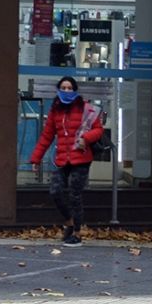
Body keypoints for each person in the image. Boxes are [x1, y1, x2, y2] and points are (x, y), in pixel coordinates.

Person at [29, 76, 103, 246]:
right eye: (63, 88)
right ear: (59, 90)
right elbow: (46, 136)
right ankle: (69, 220)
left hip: (81, 158)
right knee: (55, 191)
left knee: (75, 195)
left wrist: (86, 138)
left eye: (70, 88)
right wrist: (36, 159)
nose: (67, 91)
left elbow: (99, 129)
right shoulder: (55, 111)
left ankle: (76, 233)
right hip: (62, 159)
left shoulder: (86, 109)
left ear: (75, 90)